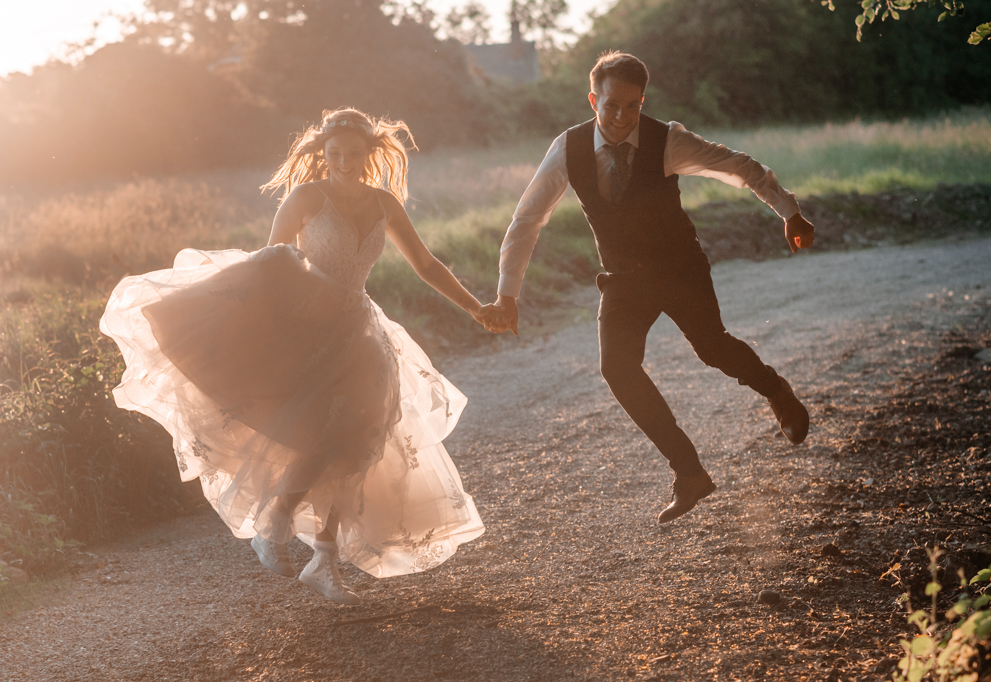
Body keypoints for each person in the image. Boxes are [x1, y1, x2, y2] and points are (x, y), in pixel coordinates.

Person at [101, 108, 489, 604]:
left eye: (354, 154)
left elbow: (427, 264)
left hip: (361, 332)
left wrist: (477, 308)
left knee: (359, 443)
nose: (344, 163)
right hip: (309, 328)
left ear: (370, 156)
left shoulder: (385, 203)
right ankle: (276, 521)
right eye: (335, 155)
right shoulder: (307, 196)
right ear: (323, 155)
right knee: (323, 436)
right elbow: (271, 262)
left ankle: (324, 561)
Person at [482, 52, 814, 524]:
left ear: (643, 102)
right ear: (593, 98)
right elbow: (527, 219)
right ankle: (689, 473)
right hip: (623, 278)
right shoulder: (568, 149)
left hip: (680, 267)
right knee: (616, 367)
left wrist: (789, 210)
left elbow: (740, 167)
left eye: (632, 107)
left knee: (712, 347)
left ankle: (776, 391)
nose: (620, 118)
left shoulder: (666, 140)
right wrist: (508, 295)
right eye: (611, 105)